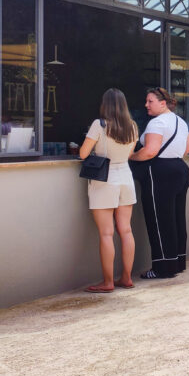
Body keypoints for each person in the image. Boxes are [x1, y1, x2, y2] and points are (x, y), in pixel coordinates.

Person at [78, 88, 139, 293]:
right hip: (126, 178)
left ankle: (107, 282)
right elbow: (130, 153)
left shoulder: (99, 124)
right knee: (126, 230)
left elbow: (83, 153)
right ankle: (127, 278)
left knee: (106, 233)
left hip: (104, 180)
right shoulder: (132, 126)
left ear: (105, 104)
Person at [130, 87, 189, 279]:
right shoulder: (180, 122)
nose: (146, 105)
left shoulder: (157, 123)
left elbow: (150, 151)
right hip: (180, 169)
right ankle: (178, 261)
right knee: (177, 217)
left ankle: (163, 267)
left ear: (163, 103)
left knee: (159, 220)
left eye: (150, 101)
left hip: (160, 172)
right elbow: (186, 149)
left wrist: (131, 156)